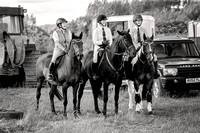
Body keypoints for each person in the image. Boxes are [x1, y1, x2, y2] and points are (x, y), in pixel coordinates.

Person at [130, 14, 159, 79]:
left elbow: (147, 39)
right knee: (130, 59)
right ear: (134, 22)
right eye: (137, 21)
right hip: (135, 48)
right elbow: (131, 40)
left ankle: (155, 72)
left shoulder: (144, 30)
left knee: (155, 57)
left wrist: (145, 44)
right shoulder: (132, 31)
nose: (138, 22)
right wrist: (136, 45)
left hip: (144, 47)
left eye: (140, 21)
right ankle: (130, 73)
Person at [47, 18, 72, 82]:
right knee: (53, 60)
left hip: (68, 50)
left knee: (76, 59)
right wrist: (63, 49)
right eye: (64, 23)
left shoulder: (68, 32)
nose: (65, 24)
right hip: (59, 50)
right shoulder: (56, 32)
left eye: (66, 23)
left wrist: (68, 49)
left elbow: (70, 41)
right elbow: (57, 42)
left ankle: (79, 75)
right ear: (59, 25)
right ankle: (50, 74)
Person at [92, 14, 113, 80]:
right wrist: (102, 42)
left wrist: (109, 45)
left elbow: (111, 39)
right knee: (97, 57)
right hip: (99, 47)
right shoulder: (96, 30)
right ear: (99, 21)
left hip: (107, 46)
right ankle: (95, 73)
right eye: (103, 20)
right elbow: (95, 41)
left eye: (105, 20)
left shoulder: (108, 29)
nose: (105, 22)